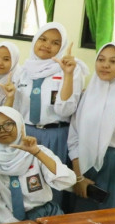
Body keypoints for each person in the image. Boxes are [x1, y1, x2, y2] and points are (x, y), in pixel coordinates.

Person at [69, 42, 115, 211]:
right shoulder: (89, 94)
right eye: (101, 60)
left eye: (113, 61)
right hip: (88, 164)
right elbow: (74, 136)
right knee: (86, 218)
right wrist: (79, 176)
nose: (105, 65)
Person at [0, 106, 75, 223]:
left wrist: (37, 153)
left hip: (47, 214)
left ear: (20, 125)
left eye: (8, 124)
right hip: (10, 221)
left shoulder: (37, 151)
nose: (2, 130)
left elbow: (67, 181)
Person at [9, 22, 86, 169]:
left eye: (55, 43)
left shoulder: (71, 69)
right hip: (26, 134)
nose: (47, 45)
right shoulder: (23, 71)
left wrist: (68, 75)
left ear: (62, 47)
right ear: (35, 40)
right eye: (43, 39)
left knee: (53, 178)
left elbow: (65, 111)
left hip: (55, 135)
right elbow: (15, 111)